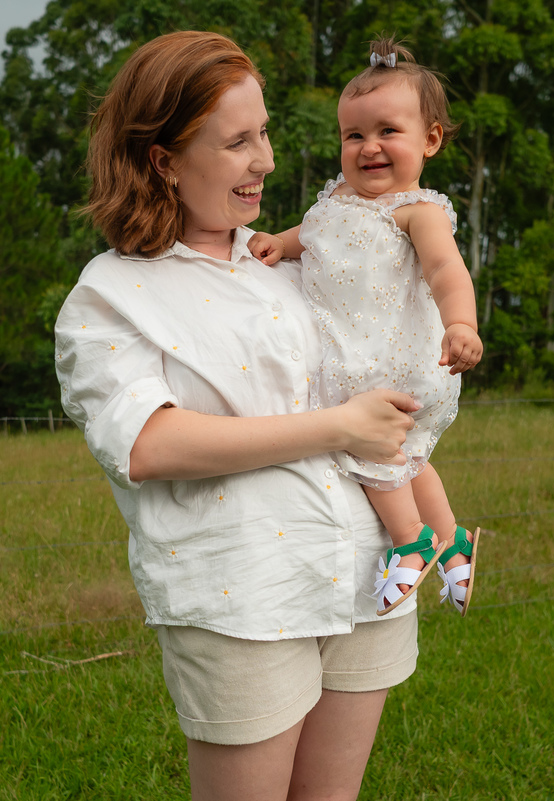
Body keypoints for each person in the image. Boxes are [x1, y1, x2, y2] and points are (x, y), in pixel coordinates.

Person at [55, 31, 425, 801]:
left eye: (264, 133)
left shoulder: (284, 259)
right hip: (242, 599)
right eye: (237, 143)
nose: (266, 161)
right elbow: (150, 443)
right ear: (163, 160)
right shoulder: (110, 294)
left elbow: (370, 365)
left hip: (364, 574)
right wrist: (336, 429)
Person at [249, 37, 484, 617]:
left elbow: (446, 271)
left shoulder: (417, 211)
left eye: (388, 132)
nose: (369, 147)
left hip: (398, 362)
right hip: (356, 356)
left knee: (377, 457)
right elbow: (313, 237)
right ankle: (454, 541)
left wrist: (462, 324)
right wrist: (279, 244)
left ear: (430, 139)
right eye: (354, 135)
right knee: (410, 458)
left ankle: (411, 542)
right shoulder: (334, 201)